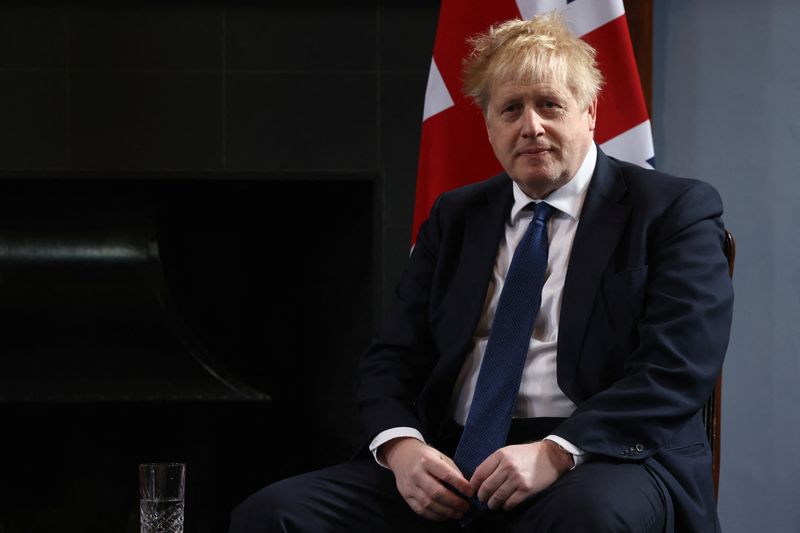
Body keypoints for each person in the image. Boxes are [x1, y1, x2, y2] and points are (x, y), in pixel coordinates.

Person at [230, 13, 732, 533]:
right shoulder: (456, 216)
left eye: (549, 105)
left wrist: (557, 451)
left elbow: (677, 368)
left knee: (585, 519)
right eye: (511, 109)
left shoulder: (671, 210)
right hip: (454, 456)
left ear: (590, 113)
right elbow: (392, 357)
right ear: (489, 125)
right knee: (272, 515)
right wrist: (403, 448)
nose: (530, 126)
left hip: (606, 456)